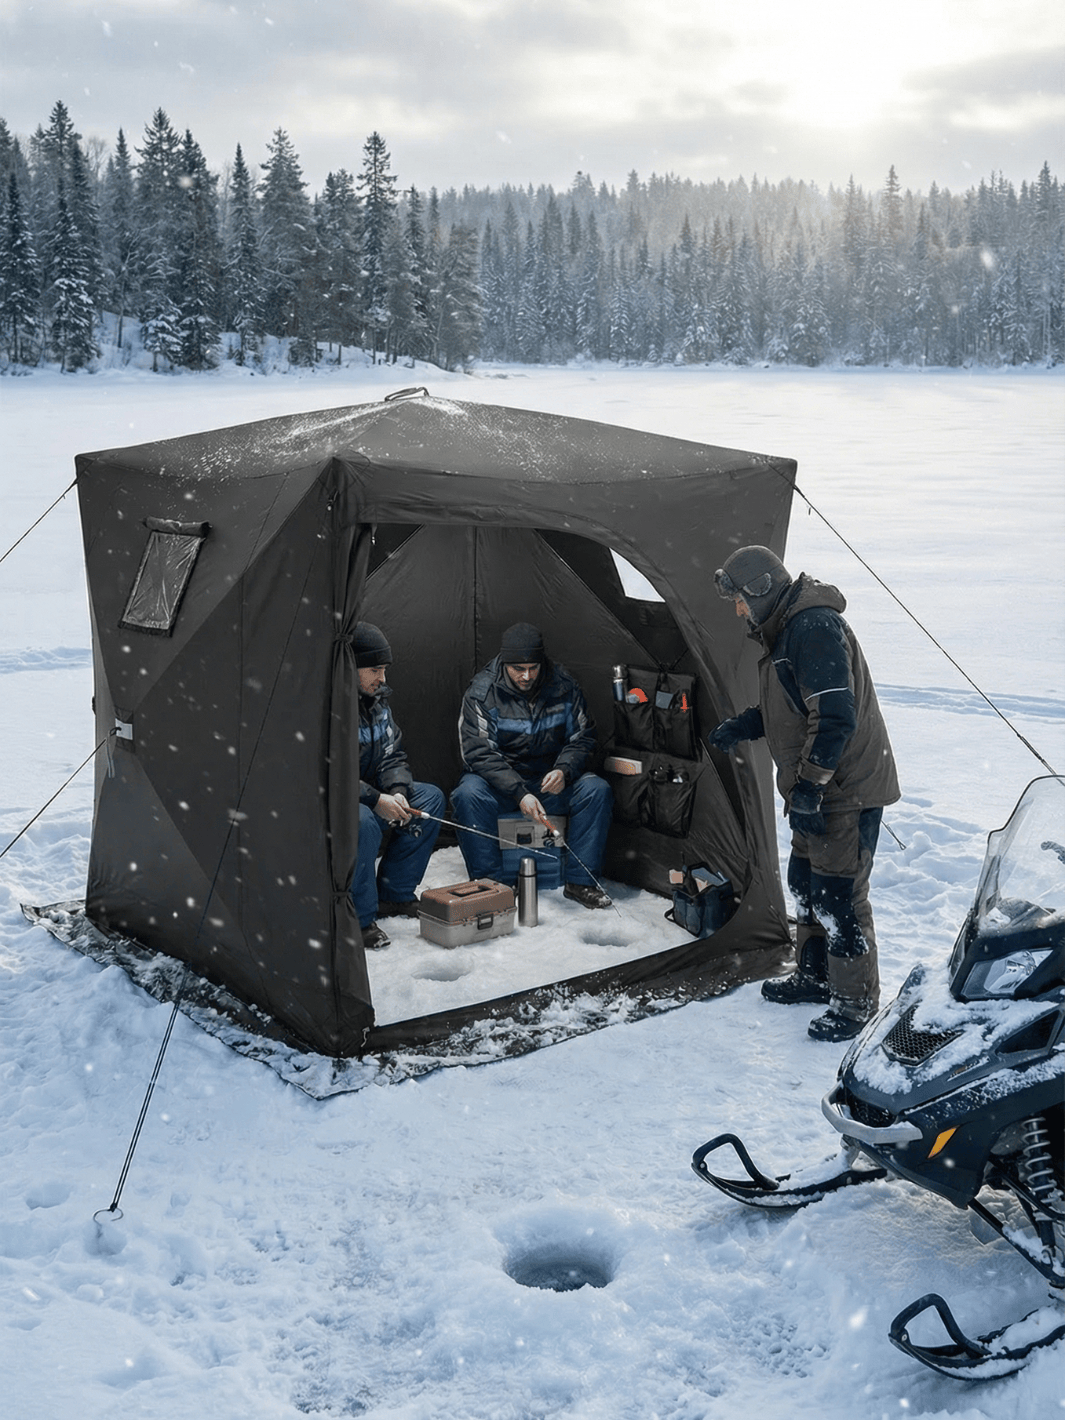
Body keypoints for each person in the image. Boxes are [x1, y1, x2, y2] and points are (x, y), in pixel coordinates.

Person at [708, 546, 900, 1042]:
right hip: (812, 789)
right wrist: (747, 724)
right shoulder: (786, 630)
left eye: (740, 599)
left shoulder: (813, 628)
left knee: (838, 897)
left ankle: (855, 1003)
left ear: (761, 590)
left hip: (843, 790)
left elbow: (834, 716)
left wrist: (811, 788)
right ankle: (815, 976)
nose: (738, 610)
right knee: (804, 884)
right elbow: (793, 704)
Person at [452, 622, 614, 909]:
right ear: (504, 663)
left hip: (550, 781)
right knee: (468, 794)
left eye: (533, 668)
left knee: (596, 789)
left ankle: (581, 882)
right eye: (518, 669)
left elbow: (584, 737)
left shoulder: (564, 686)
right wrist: (518, 792)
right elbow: (477, 753)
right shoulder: (481, 693)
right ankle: (491, 887)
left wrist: (564, 770)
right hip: (501, 785)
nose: (526, 676)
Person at [351, 622, 444, 950]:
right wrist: (377, 799)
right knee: (362, 821)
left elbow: (392, 757)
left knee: (430, 799)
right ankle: (359, 920)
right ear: (349, 667)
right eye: (374, 670)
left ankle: (393, 895)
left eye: (385, 669)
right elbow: (326, 772)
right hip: (333, 805)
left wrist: (398, 792)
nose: (383, 678)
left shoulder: (378, 703)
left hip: (373, 797)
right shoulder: (326, 708)